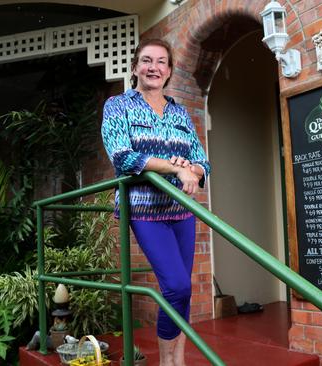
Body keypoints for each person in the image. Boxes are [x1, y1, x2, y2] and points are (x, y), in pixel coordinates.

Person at [101, 38, 210, 366]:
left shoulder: (180, 112)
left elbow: (203, 161)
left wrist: (194, 168)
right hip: (144, 208)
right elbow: (123, 156)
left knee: (184, 291)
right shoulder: (118, 105)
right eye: (147, 61)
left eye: (161, 62)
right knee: (176, 285)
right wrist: (177, 167)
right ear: (135, 67)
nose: (153, 68)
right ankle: (166, 361)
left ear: (169, 71)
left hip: (182, 210)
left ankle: (179, 360)